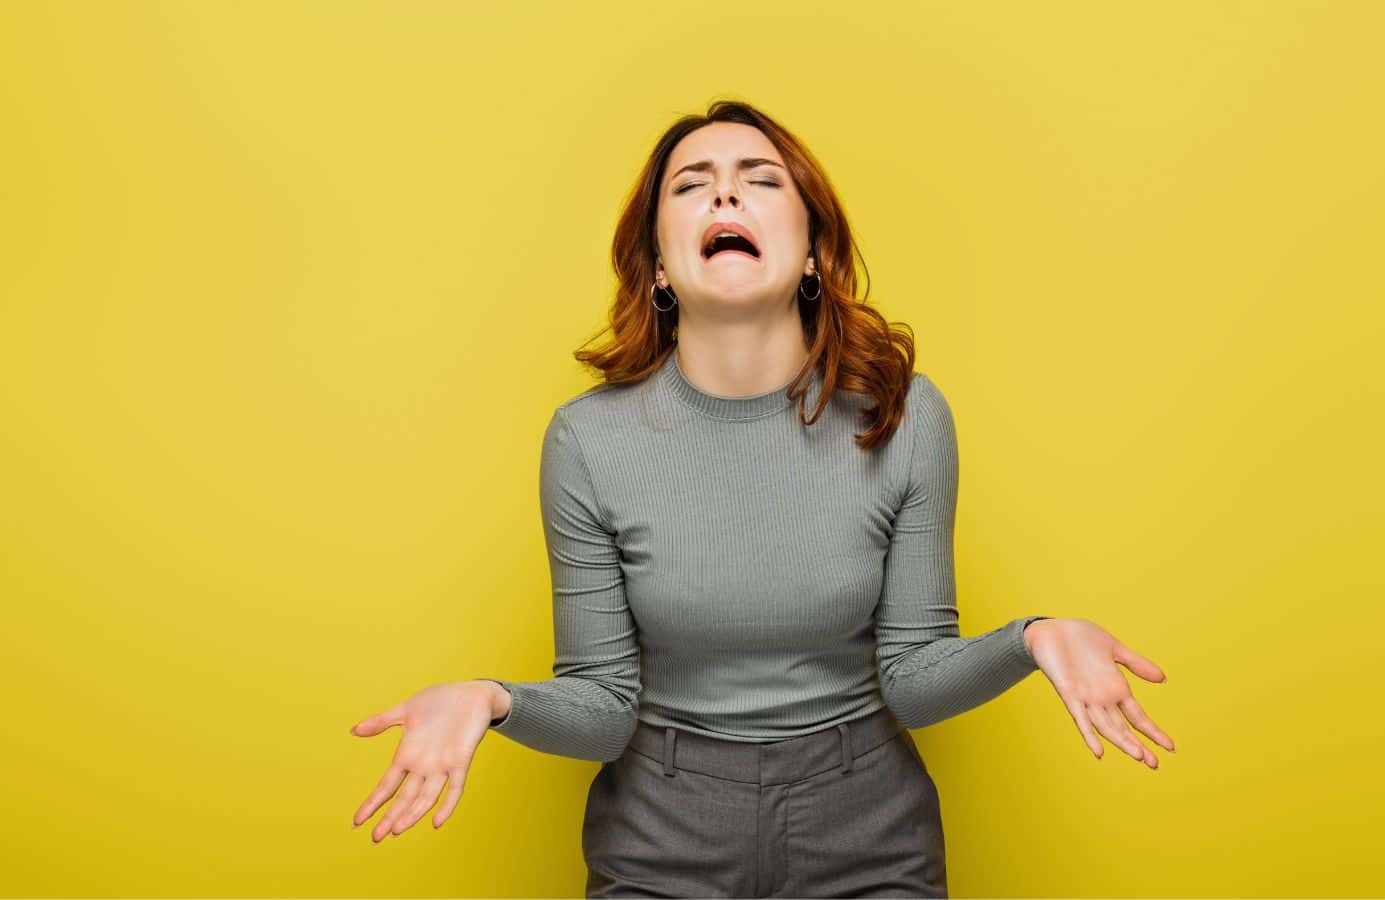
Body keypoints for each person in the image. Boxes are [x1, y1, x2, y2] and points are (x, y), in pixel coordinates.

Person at [349, 99, 1176, 897]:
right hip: (662, 838)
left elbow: (916, 678)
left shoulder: (908, 416)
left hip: (868, 831)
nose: (725, 192)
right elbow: (603, 709)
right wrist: (493, 700)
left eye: (760, 177)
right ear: (661, 265)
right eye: (691, 182)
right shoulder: (586, 441)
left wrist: (1030, 640)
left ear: (815, 251)